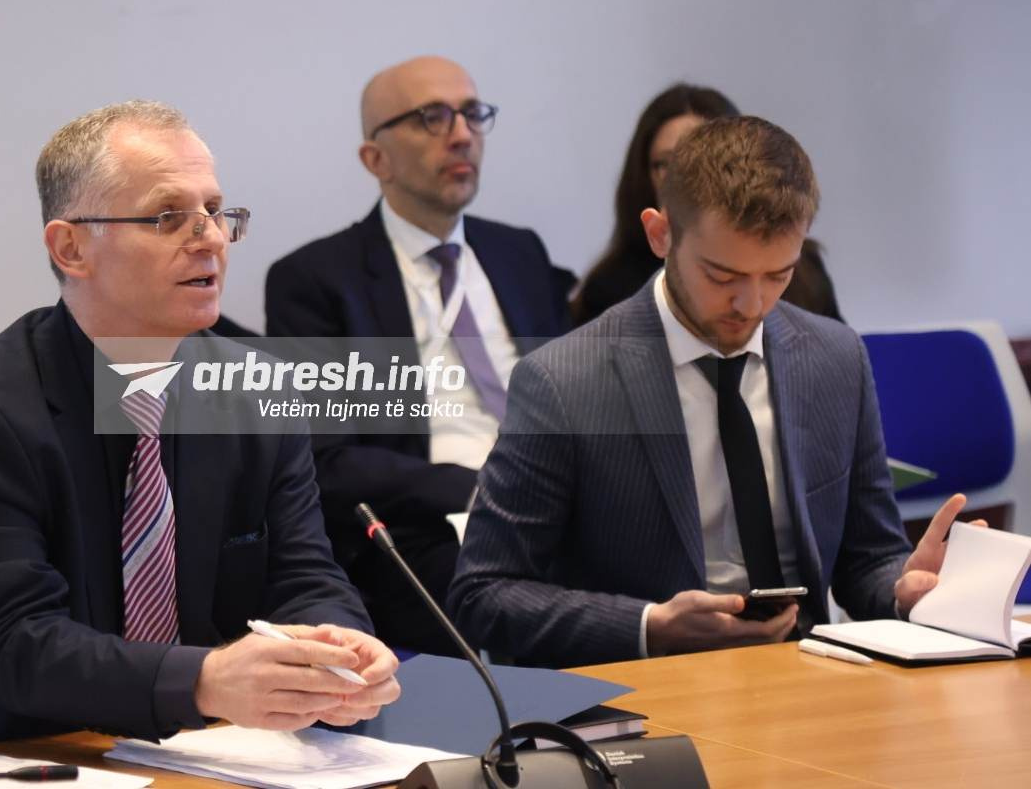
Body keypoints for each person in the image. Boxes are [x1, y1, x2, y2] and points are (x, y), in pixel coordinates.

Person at [0, 100, 399, 751]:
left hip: (212, 756)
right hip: (22, 759)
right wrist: (205, 681)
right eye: (168, 217)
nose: (210, 238)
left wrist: (338, 644)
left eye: (215, 212)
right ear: (71, 248)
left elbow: (303, 575)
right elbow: (13, 643)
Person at [449, 115, 978, 667]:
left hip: (809, 673)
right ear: (660, 234)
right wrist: (651, 627)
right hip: (653, 686)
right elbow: (482, 594)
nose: (752, 305)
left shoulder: (834, 358)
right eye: (722, 277)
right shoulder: (565, 379)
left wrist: (903, 588)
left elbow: (867, 560)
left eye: (778, 275)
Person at [264, 57, 573, 655]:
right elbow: (328, 459)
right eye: (432, 117)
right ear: (374, 159)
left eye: (472, 114)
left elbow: (575, 400)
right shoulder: (317, 279)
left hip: (557, 502)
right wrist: (484, 488)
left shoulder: (518, 254)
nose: (461, 135)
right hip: (433, 525)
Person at [571, 83, 843, 325]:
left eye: (775, 276)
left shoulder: (805, 271)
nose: (750, 308)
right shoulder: (611, 288)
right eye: (667, 163)